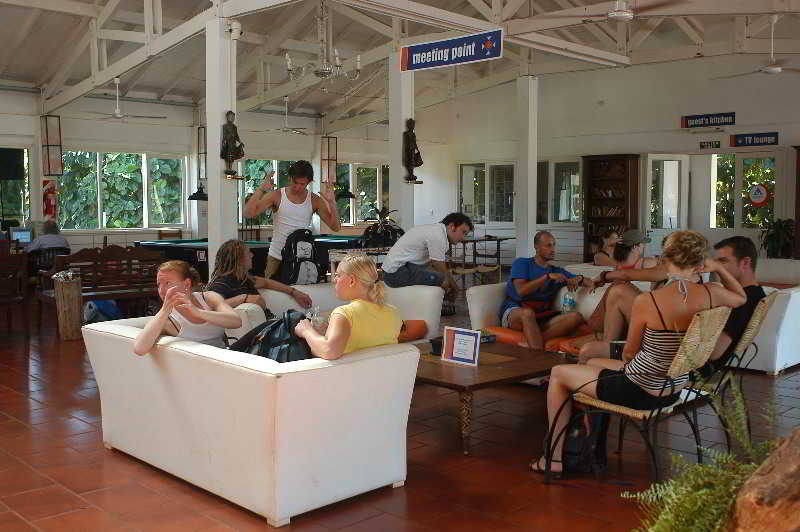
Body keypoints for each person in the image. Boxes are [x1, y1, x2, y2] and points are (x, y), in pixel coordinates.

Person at [530, 231, 746, 476]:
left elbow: (629, 354)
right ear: (699, 261)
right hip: (673, 388)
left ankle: (554, 459)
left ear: (666, 259)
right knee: (591, 360)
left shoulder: (649, 301)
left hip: (641, 390)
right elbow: (741, 297)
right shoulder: (712, 292)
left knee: (558, 374)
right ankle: (590, 447)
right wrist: (719, 267)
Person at [579, 233, 702, 361]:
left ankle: (605, 345)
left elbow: (626, 275)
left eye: (667, 251)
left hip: (662, 332)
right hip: (671, 329)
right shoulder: (695, 274)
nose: (664, 255)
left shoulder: (673, 269)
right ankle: (605, 343)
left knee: (619, 291)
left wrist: (603, 276)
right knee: (620, 288)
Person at [243, 160, 341, 279]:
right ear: (289, 178)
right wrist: (261, 189)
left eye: (302, 184)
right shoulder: (277, 195)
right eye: (295, 182)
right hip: (277, 256)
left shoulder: (314, 200)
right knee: (271, 290)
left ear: (309, 182)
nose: (298, 187)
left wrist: (332, 203)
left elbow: (335, 227)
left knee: (300, 290)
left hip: (301, 257)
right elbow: (248, 214)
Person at [500, 231, 596, 350]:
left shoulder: (557, 271)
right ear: (536, 247)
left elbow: (590, 282)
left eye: (554, 245)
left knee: (576, 317)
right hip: (515, 311)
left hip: (541, 317)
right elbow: (521, 291)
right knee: (527, 313)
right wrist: (546, 277)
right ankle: (537, 353)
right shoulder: (522, 263)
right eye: (548, 245)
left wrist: (579, 278)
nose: (553, 249)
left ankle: (533, 341)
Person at [294, 255, 402, 360]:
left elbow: (328, 350)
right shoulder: (393, 312)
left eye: (338, 275)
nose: (334, 280)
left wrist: (306, 331)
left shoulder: (344, 314)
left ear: (351, 281)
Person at [133, 260, 242, 355]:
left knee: (254, 336)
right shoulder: (168, 320)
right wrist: (164, 310)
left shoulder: (209, 298)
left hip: (227, 357)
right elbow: (139, 349)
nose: (161, 290)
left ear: (186, 284)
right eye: (159, 285)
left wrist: (198, 312)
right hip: (204, 365)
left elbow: (236, 322)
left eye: (167, 283)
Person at [698, 236, 766, 378]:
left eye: (723, 261)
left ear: (745, 262)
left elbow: (715, 353)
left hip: (694, 368)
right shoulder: (756, 292)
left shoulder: (740, 302)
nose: (716, 267)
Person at [382, 212, 473, 300]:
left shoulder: (437, 230)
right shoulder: (438, 235)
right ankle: (439, 306)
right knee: (443, 279)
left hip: (398, 268)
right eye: (463, 232)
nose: (463, 238)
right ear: (452, 226)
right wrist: (455, 288)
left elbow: (434, 264)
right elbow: (437, 264)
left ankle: (432, 303)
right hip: (394, 274)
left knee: (439, 275)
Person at [206, 239, 313, 314]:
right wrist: (244, 298)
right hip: (262, 333)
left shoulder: (244, 278)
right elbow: (209, 307)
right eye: (248, 253)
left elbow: (266, 282)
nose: (252, 255)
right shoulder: (221, 283)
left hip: (269, 324)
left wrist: (294, 292)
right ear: (239, 259)